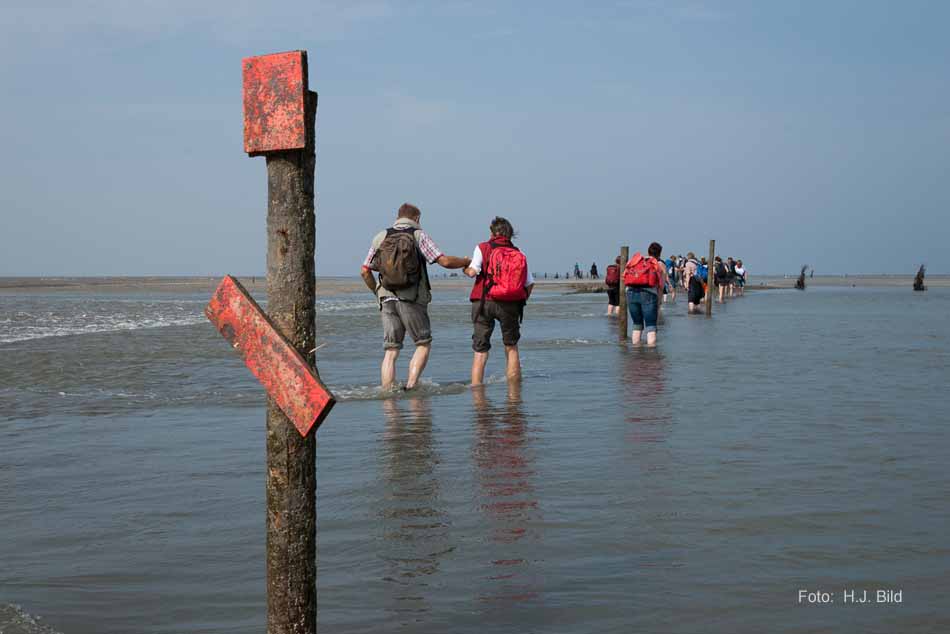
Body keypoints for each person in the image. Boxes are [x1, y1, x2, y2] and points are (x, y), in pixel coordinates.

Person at [361, 203, 470, 390]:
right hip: (411, 298)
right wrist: (465, 261)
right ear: (417, 218)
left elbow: (365, 271)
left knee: (391, 350)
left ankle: (388, 394)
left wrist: (378, 293)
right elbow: (443, 261)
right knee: (422, 343)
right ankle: (412, 386)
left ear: (397, 217)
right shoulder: (418, 235)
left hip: (386, 298)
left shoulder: (380, 237)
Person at [464, 217, 535, 385]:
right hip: (510, 304)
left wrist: (465, 269)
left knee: (480, 350)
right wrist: (520, 300)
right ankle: (514, 396)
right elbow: (530, 283)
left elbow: (473, 272)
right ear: (510, 234)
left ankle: (477, 392)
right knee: (511, 348)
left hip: (483, 302)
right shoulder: (519, 253)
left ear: (492, 232)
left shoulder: (483, 247)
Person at [623, 242, 668, 346]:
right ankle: (651, 354)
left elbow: (625, 276)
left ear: (648, 251)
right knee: (651, 326)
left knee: (637, 325)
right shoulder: (659, 264)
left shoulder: (635, 261)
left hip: (631, 293)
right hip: (648, 294)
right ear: (659, 253)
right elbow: (661, 286)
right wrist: (659, 303)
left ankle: (636, 351)